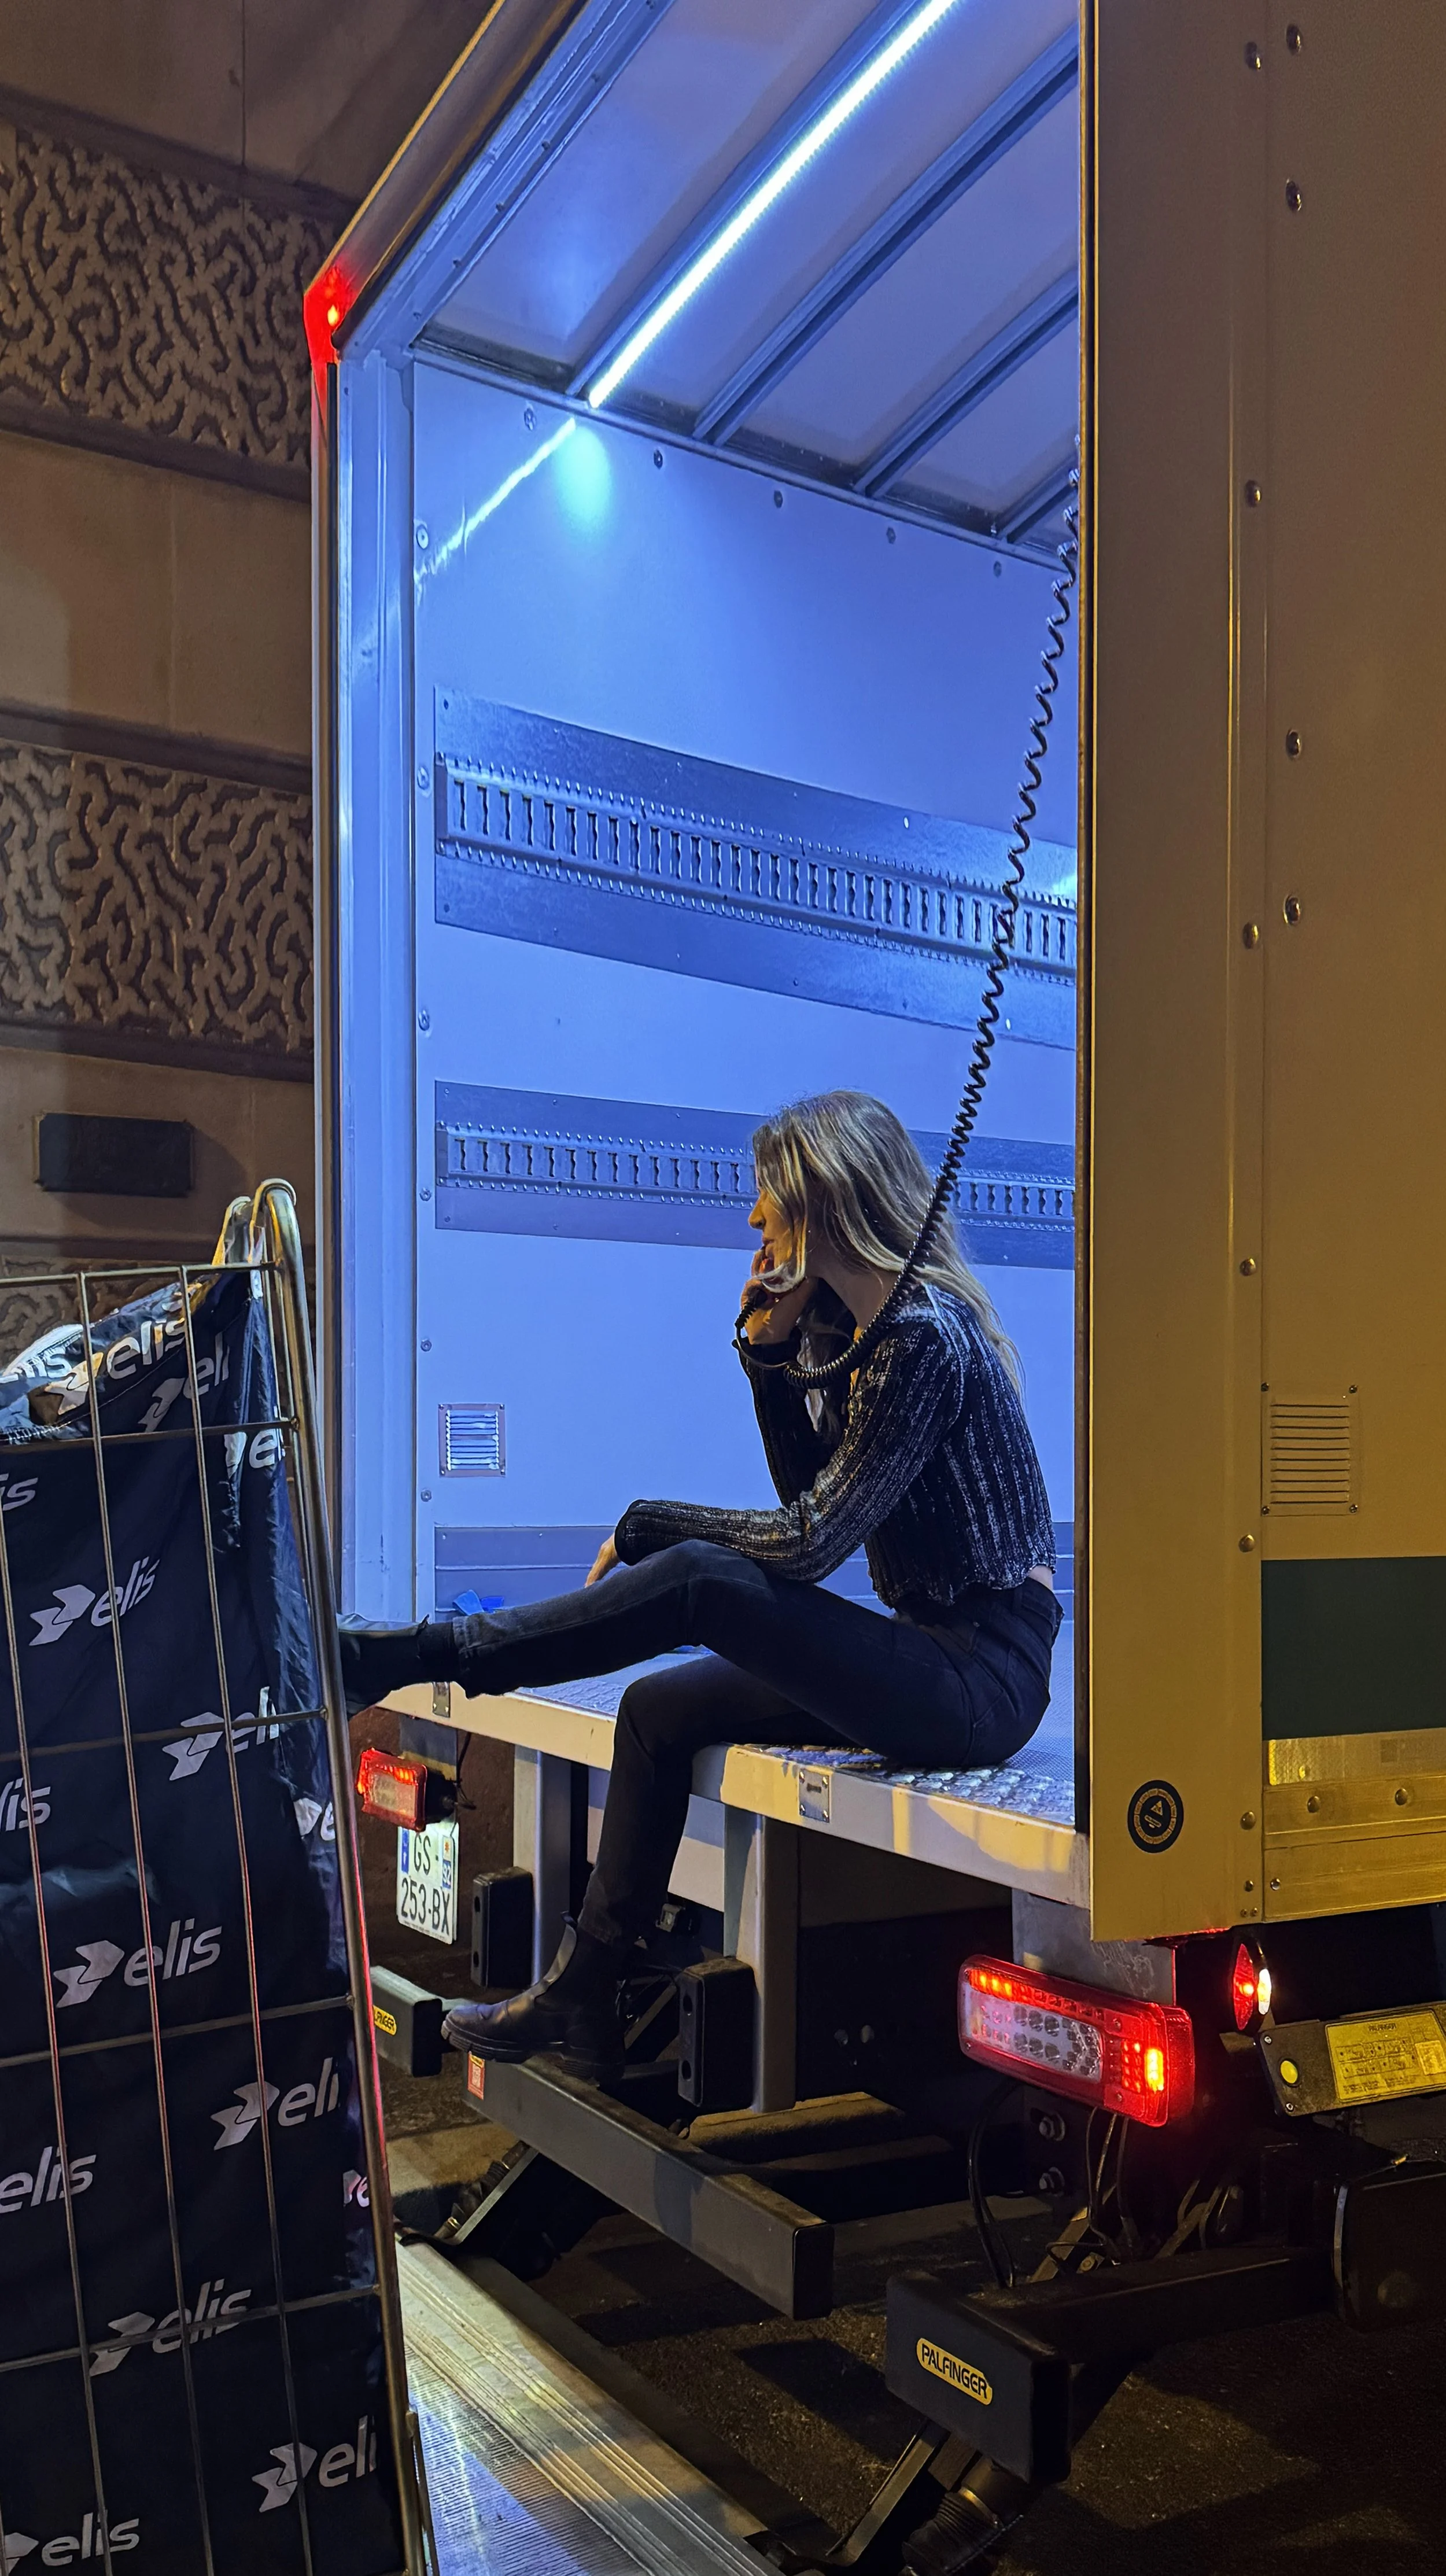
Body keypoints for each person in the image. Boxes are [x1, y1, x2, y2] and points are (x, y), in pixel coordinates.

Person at [340, 1090, 1060, 2076]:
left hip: (982, 1679)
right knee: (656, 1709)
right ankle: (579, 1996)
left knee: (697, 1581)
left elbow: (806, 1546)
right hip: (926, 1651)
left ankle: (427, 1658)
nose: (754, 1222)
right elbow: (814, 1505)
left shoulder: (920, 1338)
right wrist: (768, 1360)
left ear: (824, 1201)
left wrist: (652, 1526)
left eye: (768, 1199)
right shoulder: (849, 1337)